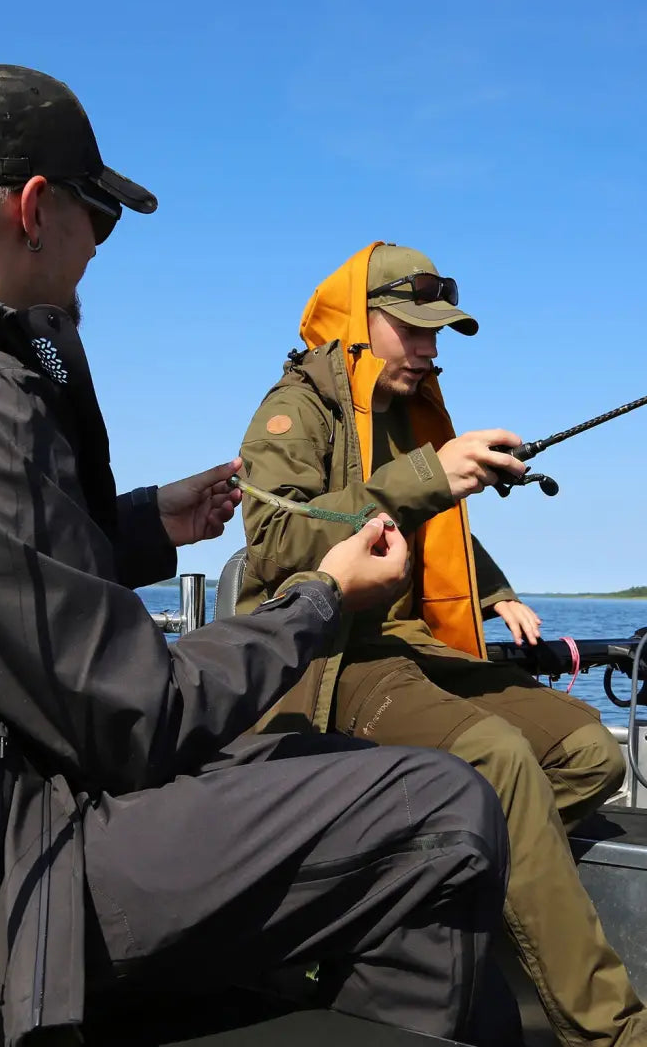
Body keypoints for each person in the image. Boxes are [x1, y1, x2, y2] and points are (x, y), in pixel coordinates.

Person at [0, 72, 509, 1047]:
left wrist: (151, 523)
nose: (100, 245)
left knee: (326, 763)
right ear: (37, 209)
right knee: (442, 813)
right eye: (101, 218)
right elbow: (136, 715)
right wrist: (323, 598)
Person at [237, 241, 645, 1047]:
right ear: (358, 324)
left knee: (592, 755)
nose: (428, 352)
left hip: (416, 645)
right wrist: (429, 475)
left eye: (437, 336)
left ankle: (404, 880)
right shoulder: (296, 410)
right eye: (413, 332)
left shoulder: (400, 418)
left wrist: (495, 592)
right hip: (329, 653)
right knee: (498, 758)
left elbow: (436, 527)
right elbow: (278, 540)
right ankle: (612, 1031)